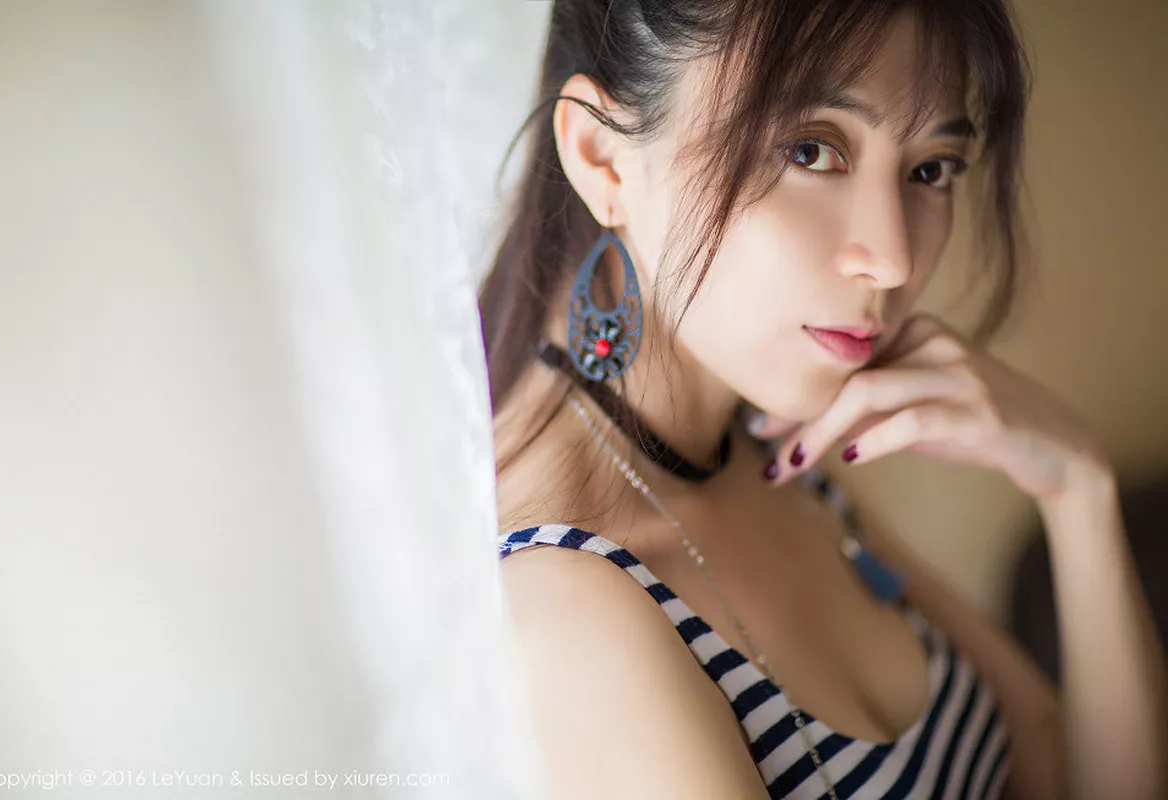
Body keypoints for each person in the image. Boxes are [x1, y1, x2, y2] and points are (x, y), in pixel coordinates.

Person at [477, 2, 1168, 798]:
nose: (893, 259)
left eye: (932, 169)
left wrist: (1078, 490)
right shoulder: (564, 606)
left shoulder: (765, 446)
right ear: (603, 159)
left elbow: (1048, 762)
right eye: (811, 150)